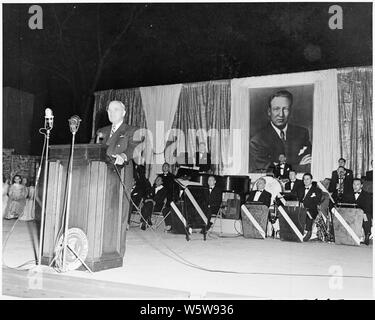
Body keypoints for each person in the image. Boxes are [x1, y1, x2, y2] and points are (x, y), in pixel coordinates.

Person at [95, 100, 140, 225]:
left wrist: (124, 155)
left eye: (116, 109)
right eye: (109, 110)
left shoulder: (131, 130)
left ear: (124, 112)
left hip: (121, 170)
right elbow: (94, 149)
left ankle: (118, 238)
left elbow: (134, 147)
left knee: (119, 204)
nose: (112, 113)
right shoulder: (101, 131)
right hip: (101, 172)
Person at [249, 90, 312, 172]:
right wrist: (299, 166)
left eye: (285, 109)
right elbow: (268, 171)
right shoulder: (257, 141)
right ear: (269, 111)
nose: (281, 114)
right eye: (276, 109)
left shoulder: (302, 133)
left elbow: (310, 162)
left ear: (290, 111)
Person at [343, 179, 373, 245]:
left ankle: (367, 234)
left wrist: (359, 213)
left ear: (361, 185)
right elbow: (345, 206)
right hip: (351, 213)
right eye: (354, 184)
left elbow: (368, 208)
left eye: (357, 184)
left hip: (363, 213)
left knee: (366, 217)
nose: (355, 186)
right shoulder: (347, 194)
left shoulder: (367, 195)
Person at [296, 173, 322, 242]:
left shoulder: (317, 190)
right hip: (300, 208)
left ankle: (308, 231)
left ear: (311, 180)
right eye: (304, 179)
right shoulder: (300, 189)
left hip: (312, 209)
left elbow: (317, 202)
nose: (305, 181)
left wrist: (305, 205)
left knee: (308, 213)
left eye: (307, 179)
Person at [158, 163, 176, 231]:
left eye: (166, 167)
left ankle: (169, 225)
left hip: (169, 195)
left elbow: (172, 188)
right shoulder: (159, 176)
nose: (165, 168)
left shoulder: (172, 176)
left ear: (168, 168)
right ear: (162, 168)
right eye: (164, 166)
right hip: (160, 195)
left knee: (167, 207)